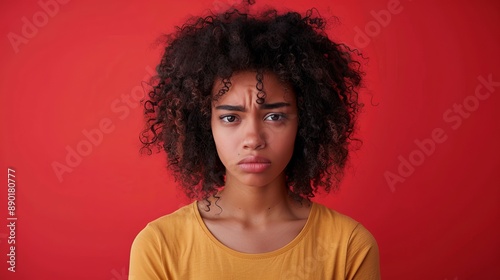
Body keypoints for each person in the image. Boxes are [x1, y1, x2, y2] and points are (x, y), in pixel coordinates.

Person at [130, 3, 380, 279]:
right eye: (230, 118)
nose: (253, 139)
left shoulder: (348, 246)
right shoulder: (160, 245)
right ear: (205, 126)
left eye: (274, 116)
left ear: (306, 121)